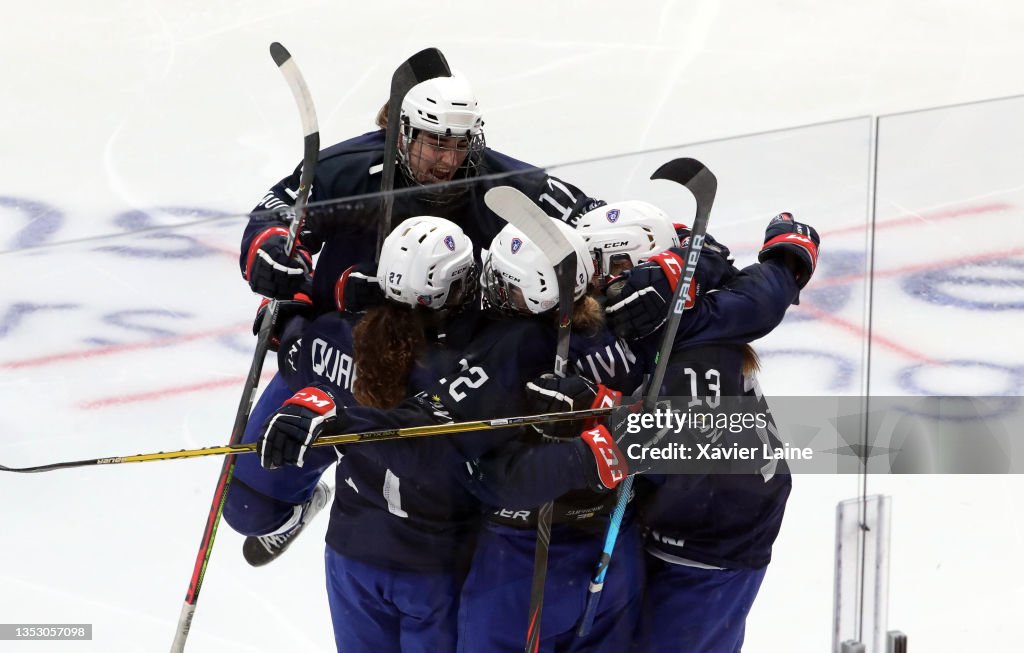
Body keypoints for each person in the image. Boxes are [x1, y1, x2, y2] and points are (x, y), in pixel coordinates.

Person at [227, 61, 602, 562]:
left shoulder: (501, 183)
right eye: (434, 143)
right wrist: (273, 253)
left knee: (427, 532)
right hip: (338, 357)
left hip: (438, 379)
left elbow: (597, 223)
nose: (448, 161)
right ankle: (301, 502)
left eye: (460, 144)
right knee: (250, 510)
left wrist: (668, 257)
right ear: (402, 134)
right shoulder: (353, 168)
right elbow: (278, 214)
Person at [229, 216, 483, 652]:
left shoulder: (338, 334)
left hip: (354, 553)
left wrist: (291, 315)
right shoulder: (469, 366)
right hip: (433, 563)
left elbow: (298, 353)